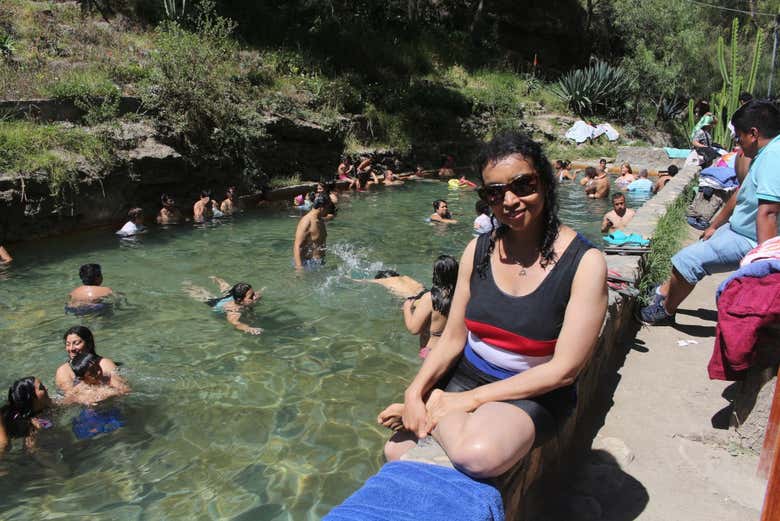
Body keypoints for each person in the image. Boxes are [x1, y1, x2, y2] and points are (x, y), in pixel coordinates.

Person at [377, 131, 607, 478]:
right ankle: (435, 414)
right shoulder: (478, 250)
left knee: (477, 455)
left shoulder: (584, 263)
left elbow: (564, 370)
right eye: (495, 193)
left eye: (522, 184)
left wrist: (456, 403)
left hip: (533, 390)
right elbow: (453, 337)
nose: (510, 200)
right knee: (395, 451)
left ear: (544, 182)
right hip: (468, 372)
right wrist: (414, 392)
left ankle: (437, 416)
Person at [640, 100, 780, 325]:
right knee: (696, 249)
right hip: (737, 228)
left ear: (753, 133)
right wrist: (714, 225)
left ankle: (665, 311)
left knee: (688, 261)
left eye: (740, 136)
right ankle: (663, 291)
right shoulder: (765, 153)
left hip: (750, 239)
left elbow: (769, 213)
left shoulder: (774, 157)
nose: (737, 141)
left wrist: (766, 267)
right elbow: (741, 193)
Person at [402, 255, 459, 359]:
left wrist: (406, 308)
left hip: (432, 352)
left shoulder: (429, 298)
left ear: (436, 274)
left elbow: (414, 329)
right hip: (453, 350)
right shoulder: (461, 296)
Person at [55, 326, 127, 395]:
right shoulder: (64, 370)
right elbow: (69, 399)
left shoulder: (104, 363)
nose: (71, 349)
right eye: (68, 344)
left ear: (89, 344)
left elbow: (123, 390)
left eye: (76, 343)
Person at [0, 377, 53, 454]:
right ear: (31, 397)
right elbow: (31, 450)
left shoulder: (42, 411)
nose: (46, 388)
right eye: (41, 387)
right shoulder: (26, 422)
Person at [194, 277, 264, 335]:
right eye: (251, 296)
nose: (255, 296)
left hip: (231, 297)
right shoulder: (233, 310)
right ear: (241, 300)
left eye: (253, 293)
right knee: (203, 295)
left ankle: (216, 279)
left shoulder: (239, 297)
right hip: (218, 303)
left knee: (227, 289)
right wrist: (248, 328)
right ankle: (189, 286)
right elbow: (236, 323)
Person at [62, 352, 128, 405]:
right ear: (82, 378)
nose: (98, 371)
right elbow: (65, 401)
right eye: (93, 372)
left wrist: (106, 393)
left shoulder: (108, 378)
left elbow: (125, 391)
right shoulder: (79, 388)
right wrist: (81, 399)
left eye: (98, 367)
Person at [293, 194, 329, 270]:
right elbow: (297, 246)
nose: (328, 211)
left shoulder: (320, 220)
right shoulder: (306, 221)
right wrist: (299, 269)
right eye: (327, 208)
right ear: (321, 208)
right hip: (308, 265)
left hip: (319, 263)